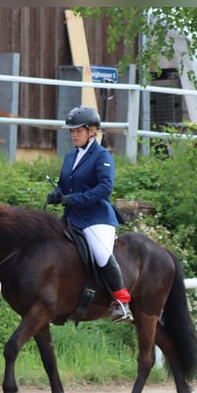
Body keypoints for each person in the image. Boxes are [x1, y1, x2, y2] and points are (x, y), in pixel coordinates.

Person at [46, 105, 133, 323]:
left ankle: (122, 302)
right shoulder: (70, 157)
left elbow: (105, 188)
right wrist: (57, 195)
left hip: (96, 218)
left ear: (92, 131)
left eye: (78, 131)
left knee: (102, 254)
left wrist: (73, 199)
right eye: (72, 131)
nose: (74, 135)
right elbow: (65, 185)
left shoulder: (102, 155)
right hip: (72, 218)